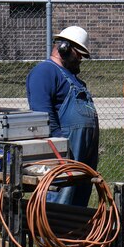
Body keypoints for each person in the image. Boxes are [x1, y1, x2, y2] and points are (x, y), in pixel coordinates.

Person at [26, 25, 99, 206]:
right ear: (64, 48)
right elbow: (43, 115)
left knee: (77, 204)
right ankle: (49, 234)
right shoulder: (45, 71)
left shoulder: (74, 78)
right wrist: (61, 147)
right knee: (60, 202)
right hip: (64, 155)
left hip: (83, 156)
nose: (81, 58)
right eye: (78, 53)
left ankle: (73, 234)